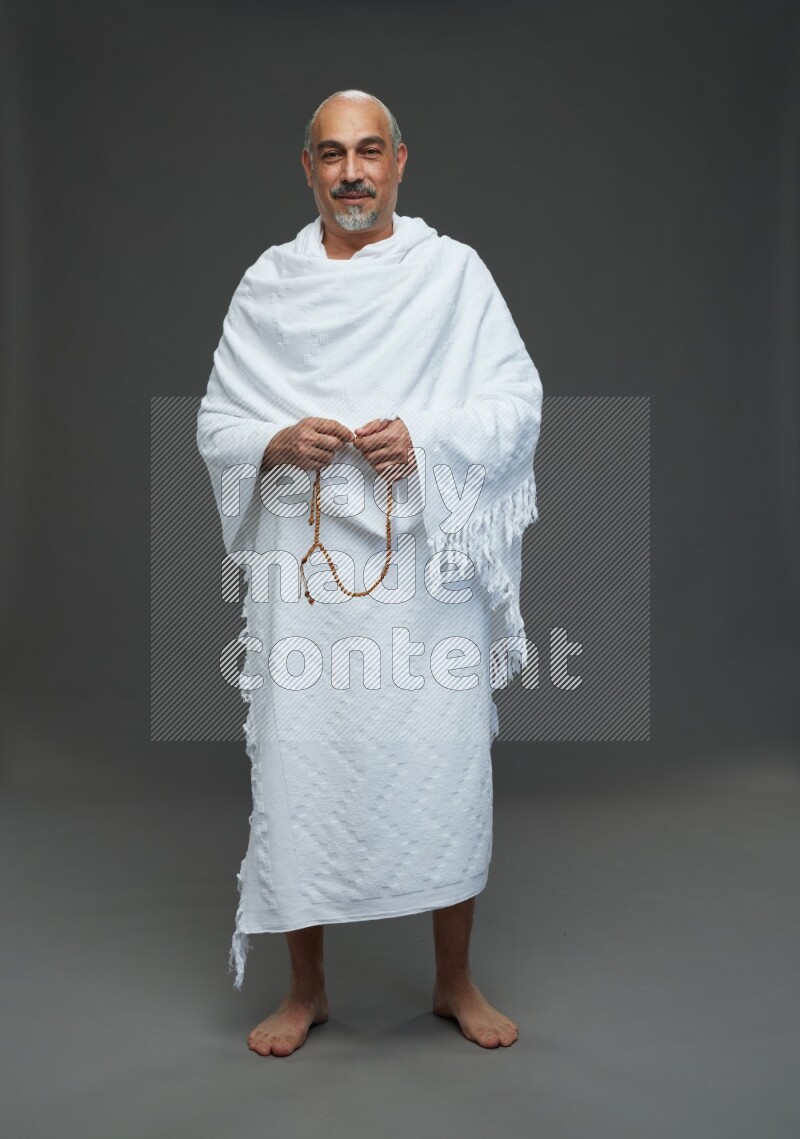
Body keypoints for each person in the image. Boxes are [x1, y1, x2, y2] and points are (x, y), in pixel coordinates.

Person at [196, 89, 543, 1056]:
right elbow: (215, 424)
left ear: (400, 161)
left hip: (426, 577)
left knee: (444, 767)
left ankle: (453, 980)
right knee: (302, 768)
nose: (353, 171)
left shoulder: (453, 276)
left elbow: (519, 401)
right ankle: (304, 988)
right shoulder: (268, 286)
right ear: (306, 167)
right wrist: (272, 437)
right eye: (332, 154)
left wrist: (425, 438)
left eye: (370, 151)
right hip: (305, 582)